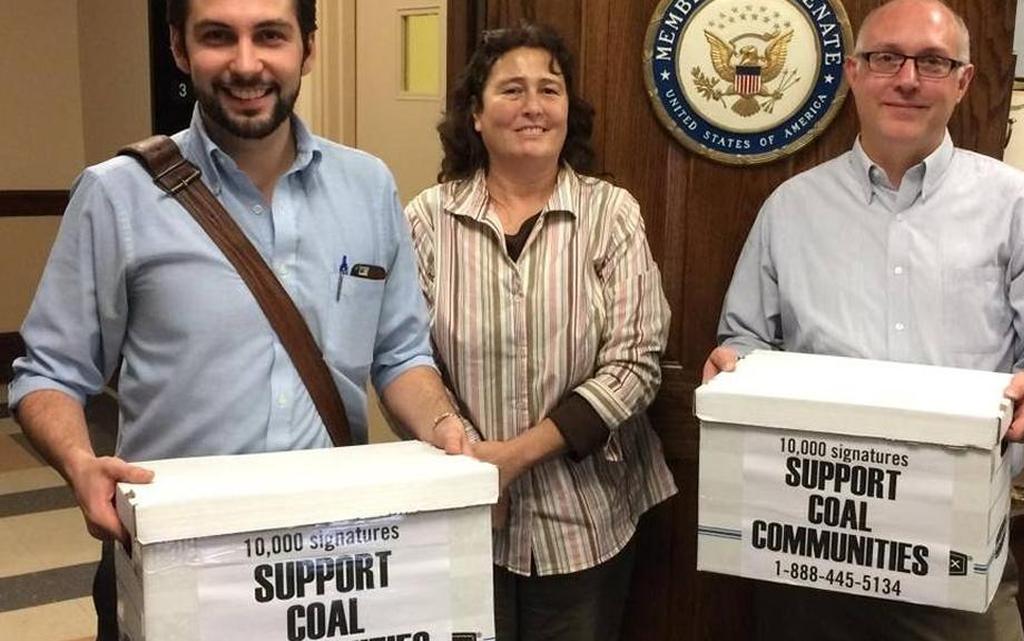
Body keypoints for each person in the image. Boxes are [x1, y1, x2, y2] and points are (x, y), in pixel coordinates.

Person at [7, 1, 471, 638]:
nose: (247, 64)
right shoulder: (117, 194)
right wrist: (81, 464)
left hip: (333, 564)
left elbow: (399, 355)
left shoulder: (369, 187)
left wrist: (444, 426)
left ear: (307, 47)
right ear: (179, 48)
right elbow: (49, 374)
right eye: (219, 37)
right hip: (176, 560)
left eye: (271, 36)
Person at [702, 0, 1024, 639]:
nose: (908, 79)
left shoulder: (1018, 208)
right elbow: (746, 340)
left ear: (963, 81)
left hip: (957, 558)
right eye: (887, 58)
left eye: (932, 61)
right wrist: (734, 369)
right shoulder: (791, 209)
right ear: (855, 74)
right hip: (807, 554)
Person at [404, 22, 676, 641]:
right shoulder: (424, 219)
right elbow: (406, 356)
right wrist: (475, 465)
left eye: (548, 90)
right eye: (511, 90)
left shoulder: (613, 213)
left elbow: (636, 363)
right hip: (466, 514)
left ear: (567, 111)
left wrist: (511, 459)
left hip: (588, 518)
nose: (532, 106)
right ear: (475, 115)